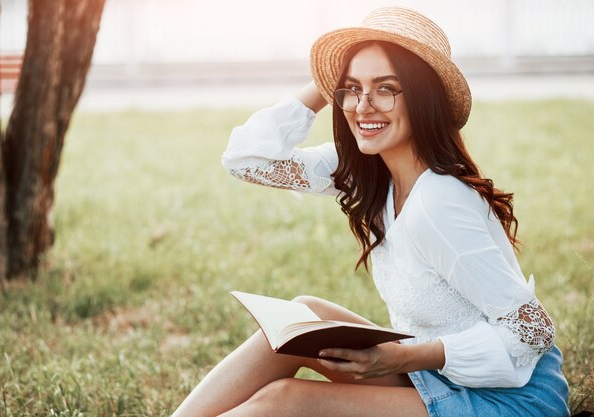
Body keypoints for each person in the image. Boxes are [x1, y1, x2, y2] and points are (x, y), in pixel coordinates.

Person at [171, 6, 569, 417]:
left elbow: (533, 331)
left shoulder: (439, 204)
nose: (362, 106)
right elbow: (244, 159)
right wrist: (330, 81)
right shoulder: (371, 174)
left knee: (285, 401)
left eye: (385, 88)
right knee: (305, 313)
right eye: (352, 88)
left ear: (421, 97)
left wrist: (403, 358)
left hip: (510, 399)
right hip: (437, 374)